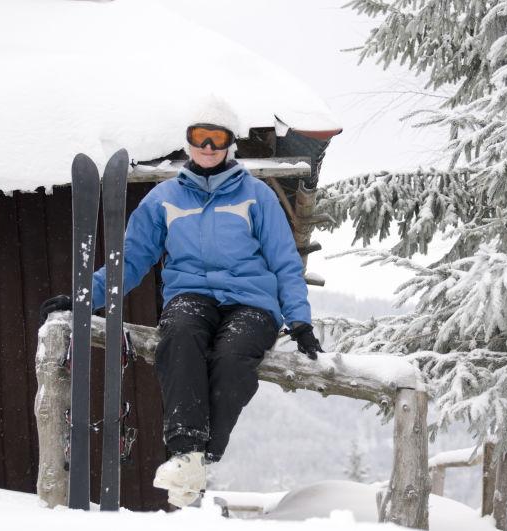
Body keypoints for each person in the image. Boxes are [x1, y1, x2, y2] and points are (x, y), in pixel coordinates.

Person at [39, 98, 323, 508]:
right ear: (187, 142)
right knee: (180, 337)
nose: (208, 146)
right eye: (199, 137)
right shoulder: (163, 199)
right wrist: (87, 297)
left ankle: (201, 458)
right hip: (190, 296)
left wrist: (299, 320)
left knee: (231, 357)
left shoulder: (256, 195)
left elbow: (283, 261)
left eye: (217, 137)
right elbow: (131, 259)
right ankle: (186, 452)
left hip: (252, 301)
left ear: (230, 144)